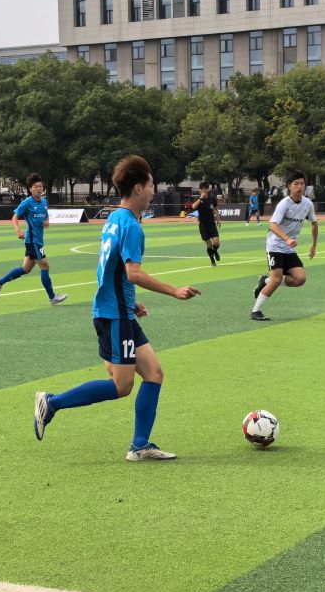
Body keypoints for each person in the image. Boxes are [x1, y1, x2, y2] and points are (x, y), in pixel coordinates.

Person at [31, 154, 200, 461]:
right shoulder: (132, 226)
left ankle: (140, 445)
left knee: (154, 374)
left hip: (117, 309)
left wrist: (129, 300)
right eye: (151, 185)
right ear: (138, 188)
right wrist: (174, 291)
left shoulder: (114, 218)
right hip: (114, 314)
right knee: (122, 386)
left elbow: (108, 269)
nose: (153, 191)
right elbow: (133, 273)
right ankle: (51, 403)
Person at [251, 173, 318, 322]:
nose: (299, 186)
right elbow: (272, 225)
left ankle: (265, 281)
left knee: (300, 279)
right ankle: (256, 310)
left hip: (289, 248)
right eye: (296, 184)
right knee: (276, 280)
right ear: (289, 186)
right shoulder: (284, 203)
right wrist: (287, 239)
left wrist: (314, 245)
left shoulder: (308, 204)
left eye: (302, 183)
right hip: (275, 246)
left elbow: (314, 223)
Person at [0, 175, 64, 303]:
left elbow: (46, 216)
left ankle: (0, 281)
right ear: (30, 189)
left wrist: (47, 221)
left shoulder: (44, 202)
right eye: (35, 187)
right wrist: (18, 229)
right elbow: (15, 217)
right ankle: (52, 297)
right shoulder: (27, 202)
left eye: (40, 186)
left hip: (39, 240)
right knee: (45, 266)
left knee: (26, 269)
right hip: (32, 241)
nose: (39, 189)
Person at [191, 184, 222, 265]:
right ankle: (212, 259)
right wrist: (201, 198)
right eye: (202, 189)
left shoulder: (212, 198)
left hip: (211, 223)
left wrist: (218, 220)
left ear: (208, 190)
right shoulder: (198, 199)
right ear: (200, 190)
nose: (204, 190)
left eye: (205, 189)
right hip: (203, 225)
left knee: (216, 243)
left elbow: (216, 209)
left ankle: (215, 251)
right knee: (209, 244)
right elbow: (193, 207)